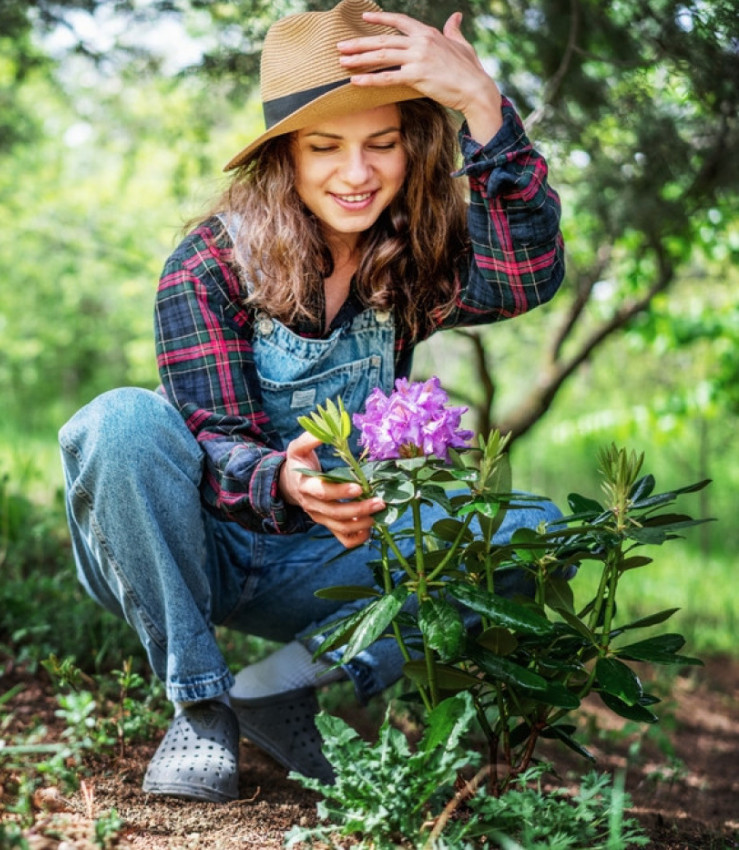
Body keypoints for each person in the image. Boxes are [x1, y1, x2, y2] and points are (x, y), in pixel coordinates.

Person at [58, 0, 565, 803]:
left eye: (381, 144)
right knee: (117, 420)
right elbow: (208, 434)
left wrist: (481, 108)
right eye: (324, 147)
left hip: (323, 561)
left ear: (412, 149)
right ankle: (198, 705)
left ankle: (278, 684)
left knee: (540, 531)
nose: (355, 173)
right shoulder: (209, 262)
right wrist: (284, 480)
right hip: (199, 549)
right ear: (284, 156)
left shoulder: (409, 257)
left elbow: (528, 271)